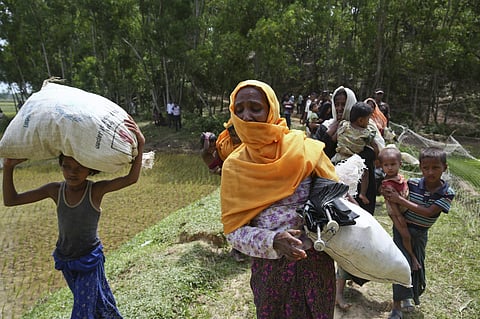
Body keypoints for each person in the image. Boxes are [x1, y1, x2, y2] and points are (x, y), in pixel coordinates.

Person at [2, 117, 145, 319]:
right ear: (61, 166)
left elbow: (131, 178)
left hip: (89, 259)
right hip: (66, 259)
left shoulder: (95, 191)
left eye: (79, 168)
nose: (72, 173)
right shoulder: (54, 190)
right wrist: (8, 168)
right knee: (98, 303)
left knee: (82, 311)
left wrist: (141, 142)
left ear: (89, 168)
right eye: (67, 167)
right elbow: (11, 200)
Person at [221, 80, 338, 318]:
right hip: (271, 270)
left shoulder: (303, 148)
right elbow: (234, 232)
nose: (247, 116)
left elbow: (335, 193)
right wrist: (274, 241)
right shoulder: (235, 166)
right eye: (239, 109)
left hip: (316, 261)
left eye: (255, 108)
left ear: (271, 110)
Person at [312, 86, 384, 310]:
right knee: (332, 231)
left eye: (345, 104)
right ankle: (332, 285)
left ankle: (347, 277)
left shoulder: (369, 127)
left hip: (360, 183)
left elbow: (378, 154)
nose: (341, 108)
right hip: (333, 184)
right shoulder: (329, 126)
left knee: (354, 232)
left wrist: (360, 154)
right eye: (337, 104)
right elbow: (317, 151)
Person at [382, 147, 455, 319]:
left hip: (420, 234)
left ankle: (409, 296)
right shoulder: (412, 183)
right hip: (402, 230)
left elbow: (429, 212)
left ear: (445, 167)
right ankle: (396, 307)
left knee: (417, 267)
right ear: (420, 167)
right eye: (425, 168)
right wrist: (387, 192)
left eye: (435, 168)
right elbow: (391, 190)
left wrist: (399, 200)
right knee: (400, 265)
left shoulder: (447, 193)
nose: (430, 172)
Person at [379, 146, 421, 273]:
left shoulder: (400, 178)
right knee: (406, 236)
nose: (390, 168)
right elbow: (393, 204)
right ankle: (413, 258)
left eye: (393, 164)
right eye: (386, 165)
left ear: (400, 164)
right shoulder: (387, 185)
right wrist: (399, 217)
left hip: (404, 208)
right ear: (382, 166)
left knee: (408, 235)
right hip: (396, 212)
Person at [331, 101, 379, 206]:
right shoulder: (366, 133)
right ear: (361, 120)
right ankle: (362, 194)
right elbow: (375, 147)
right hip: (354, 161)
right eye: (368, 119)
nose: (369, 121)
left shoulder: (344, 125)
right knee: (365, 172)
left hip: (338, 158)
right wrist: (376, 157)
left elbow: (334, 138)